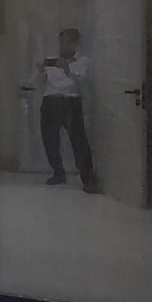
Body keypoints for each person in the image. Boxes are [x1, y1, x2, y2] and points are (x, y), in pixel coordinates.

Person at [34, 28, 99, 194]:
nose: (65, 45)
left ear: (77, 44)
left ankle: (88, 178)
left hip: (70, 101)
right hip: (50, 101)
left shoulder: (83, 61)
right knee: (49, 139)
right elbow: (41, 83)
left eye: (69, 42)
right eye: (62, 41)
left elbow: (82, 81)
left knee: (79, 141)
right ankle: (58, 173)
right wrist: (41, 71)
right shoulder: (51, 60)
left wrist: (67, 68)